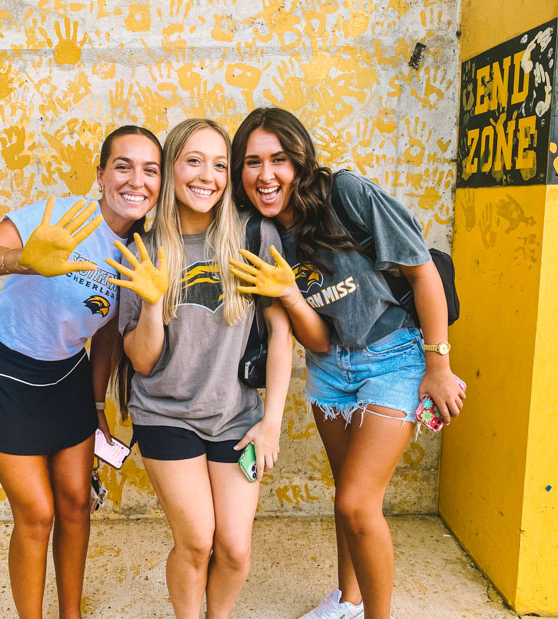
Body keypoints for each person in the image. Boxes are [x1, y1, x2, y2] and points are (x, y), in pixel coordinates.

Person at [229, 107, 466, 619]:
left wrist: (438, 365)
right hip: (329, 371)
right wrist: (292, 296)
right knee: (348, 497)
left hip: (395, 358)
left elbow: (423, 273)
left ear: (300, 160)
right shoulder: (262, 233)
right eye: (252, 162)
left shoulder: (347, 195)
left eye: (279, 159)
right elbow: (314, 341)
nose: (266, 175)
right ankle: (347, 601)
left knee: (356, 504)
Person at [0, 125, 162, 619]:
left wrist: (98, 402)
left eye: (150, 170)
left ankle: (71, 613)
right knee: (38, 515)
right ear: (100, 174)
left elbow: (103, 333)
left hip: (67, 380)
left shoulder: (142, 251)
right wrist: (19, 260)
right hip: (5, 375)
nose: (136, 180)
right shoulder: (60, 216)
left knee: (77, 503)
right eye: (122, 166)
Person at [110, 118, 292, 619]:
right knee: (196, 542)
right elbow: (142, 360)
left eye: (218, 164)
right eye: (193, 160)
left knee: (233, 549)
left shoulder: (254, 234)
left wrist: (270, 422)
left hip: (236, 416)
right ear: (171, 169)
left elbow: (281, 332)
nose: (207, 176)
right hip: (165, 414)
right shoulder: (143, 249)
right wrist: (150, 305)